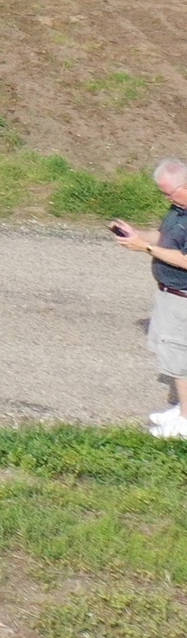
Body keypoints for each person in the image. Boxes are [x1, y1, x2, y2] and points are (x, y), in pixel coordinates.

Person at [109, 157, 187, 438]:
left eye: (168, 191)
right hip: (169, 293)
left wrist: (145, 249)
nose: (164, 197)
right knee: (171, 351)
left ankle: (186, 423)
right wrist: (139, 236)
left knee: (180, 356)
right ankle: (182, 409)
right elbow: (163, 236)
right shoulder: (178, 209)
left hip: (183, 296)